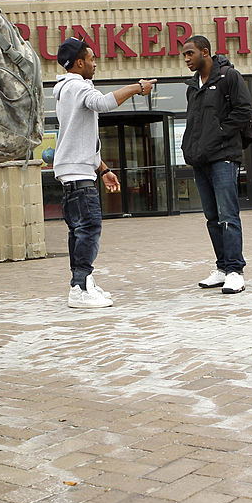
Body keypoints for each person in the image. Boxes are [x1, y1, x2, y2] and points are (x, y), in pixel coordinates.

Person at [53, 37, 155, 309]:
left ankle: (83, 283)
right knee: (89, 228)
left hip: (74, 172)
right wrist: (138, 87)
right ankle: (79, 287)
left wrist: (104, 169)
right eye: (91, 58)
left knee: (79, 232)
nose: (95, 63)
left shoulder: (67, 89)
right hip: (77, 176)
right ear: (79, 63)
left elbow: (80, 138)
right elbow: (104, 103)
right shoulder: (76, 86)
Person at [180, 36, 252, 294]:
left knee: (228, 216)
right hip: (201, 160)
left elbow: (245, 112)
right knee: (212, 218)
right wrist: (188, 147)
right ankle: (222, 268)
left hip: (224, 157)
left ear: (205, 52)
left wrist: (220, 132)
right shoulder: (193, 87)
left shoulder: (229, 77)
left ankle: (236, 270)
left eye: (190, 53)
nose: (187, 59)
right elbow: (194, 122)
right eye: (184, 55)